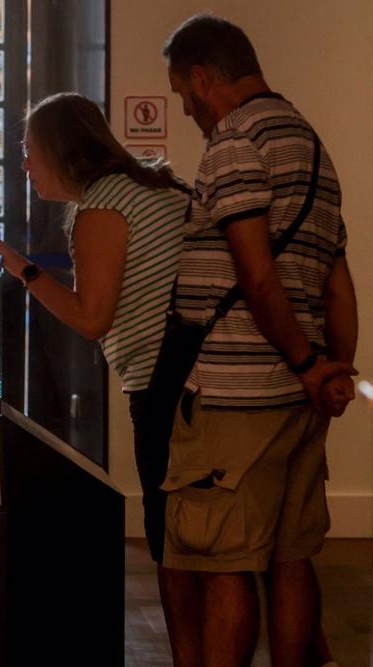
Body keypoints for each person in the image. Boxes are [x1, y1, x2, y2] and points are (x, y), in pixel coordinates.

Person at [0, 92, 198, 653]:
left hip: (166, 386)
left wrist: (21, 269)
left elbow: (92, 318)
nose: (24, 164)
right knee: (210, 540)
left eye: (29, 150)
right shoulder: (150, 186)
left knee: (172, 541)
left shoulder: (102, 207)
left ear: (60, 150)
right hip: (200, 379)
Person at [160, 13, 358, 666]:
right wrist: (333, 370)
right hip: (300, 399)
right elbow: (337, 286)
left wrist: (306, 364)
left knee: (224, 563)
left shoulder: (235, 140)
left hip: (235, 397)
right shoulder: (311, 145)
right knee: (291, 557)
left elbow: (256, 273)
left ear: (201, 77)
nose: (186, 110)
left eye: (182, 94)